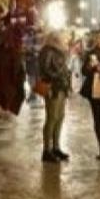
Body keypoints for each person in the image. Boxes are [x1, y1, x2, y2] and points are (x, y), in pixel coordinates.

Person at [38, 30, 72, 163]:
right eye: (63, 36)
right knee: (52, 117)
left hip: (61, 87)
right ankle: (47, 150)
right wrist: (59, 75)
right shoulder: (47, 51)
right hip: (53, 87)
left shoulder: (60, 51)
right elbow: (45, 70)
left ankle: (56, 147)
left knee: (60, 117)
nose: (65, 38)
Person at [80, 31, 100, 160]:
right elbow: (84, 71)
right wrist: (91, 67)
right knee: (98, 119)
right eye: (98, 39)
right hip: (94, 90)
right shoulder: (91, 53)